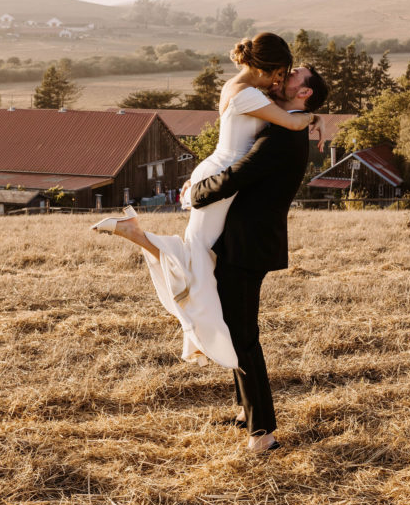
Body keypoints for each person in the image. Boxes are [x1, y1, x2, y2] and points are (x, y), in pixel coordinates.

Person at [90, 33, 321, 372]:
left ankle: (203, 332)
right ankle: (138, 238)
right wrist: (314, 118)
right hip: (222, 177)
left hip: (220, 172)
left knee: (204, 258)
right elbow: (291, 121)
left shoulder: (242, 89)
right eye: (281, 72)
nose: (280, 79)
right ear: (268, 68)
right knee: (199, 257)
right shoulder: (249, 95)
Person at [188, 63, 328, 453]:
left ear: (305, 93)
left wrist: (194, 194)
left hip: (247, 244)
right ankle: (243, 412)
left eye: (294, 76)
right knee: (238, 328)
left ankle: (262, 433)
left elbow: (238, 175)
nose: (284, 79)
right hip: (249, 240)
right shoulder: (289, 123)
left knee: (243, 336)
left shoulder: (284, 136)